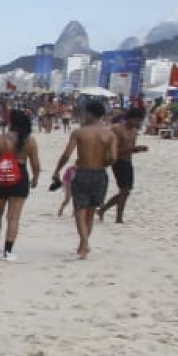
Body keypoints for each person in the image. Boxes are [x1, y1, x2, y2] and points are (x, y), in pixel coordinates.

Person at [51, 99, 117, 259]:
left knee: (79, 210)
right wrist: (102, 162)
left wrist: (57, 170)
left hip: (83, 172)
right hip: (100, 174)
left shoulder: (80, 133)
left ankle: (85, 243)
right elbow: (113, 158)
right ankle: (83, 244)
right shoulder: (109, 135)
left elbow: (66, 155)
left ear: (89, 114)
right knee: (91, 211)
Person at [0, 108, 41, 260]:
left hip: (1, 176)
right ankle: (8, 251)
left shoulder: (0, 139)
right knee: (13, 218)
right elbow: (35, 164)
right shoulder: (30, 141)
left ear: (11, 122)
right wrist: (35, 178)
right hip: (20, 177)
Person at [98, 108, 148, 223]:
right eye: (136, 120)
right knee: (124, 190)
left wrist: (137, 149)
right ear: (129, 118)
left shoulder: (134, 132)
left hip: (127, 161)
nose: (138, 123)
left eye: (139, 121)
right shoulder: (117, 129)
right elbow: (115, 150)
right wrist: (134, 148)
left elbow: (129, 149)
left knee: (126, 191)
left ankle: (106, 211)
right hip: (118, 161)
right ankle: (117, 216)